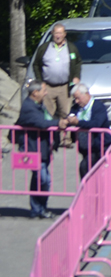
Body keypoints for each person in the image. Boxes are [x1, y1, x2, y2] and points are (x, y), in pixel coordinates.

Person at [16, 81, 56, 217]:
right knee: (43, 179)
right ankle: (39, 208)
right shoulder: (28, 107)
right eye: (43, 90)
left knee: (39, 179)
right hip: (33, 148)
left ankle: (38, 209)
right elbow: (41, 123)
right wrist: (58, 123)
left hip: (43, 148)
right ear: (35, 93)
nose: (46, 93)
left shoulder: (38, 104)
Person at [30, 23, 81, 123]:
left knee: (65, 115)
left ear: (64, 34)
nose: (58, 36)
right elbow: (36, 64)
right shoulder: (44, 48)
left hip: (65, 87)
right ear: (52, 33)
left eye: (60, 33)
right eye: (56, 33)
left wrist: (76, 76)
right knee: (48, 115)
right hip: (48, 87)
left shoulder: (71, 48)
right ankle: (49, 138)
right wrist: (40, 82)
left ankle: (65, 139)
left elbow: (78, 62)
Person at [63, 82, 111, 176]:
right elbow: (70, 117)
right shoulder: (76, 108)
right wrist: (66, 121)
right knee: (88, 168)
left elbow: (96, 124)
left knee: (85, 167)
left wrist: (78, 123)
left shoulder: (98, 107)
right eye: (75, 99)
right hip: (86, 147)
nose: (76, 101)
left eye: (78, 98)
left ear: (86, 94)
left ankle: (90, 190)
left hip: (100, 147)